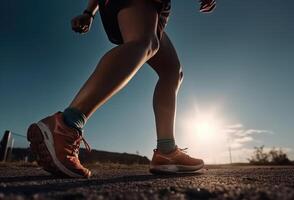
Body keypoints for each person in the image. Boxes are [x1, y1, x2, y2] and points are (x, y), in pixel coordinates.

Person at [27, 0, 216, 178]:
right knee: (144, 42)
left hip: (155, 11)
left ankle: (166, 151)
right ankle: (65, 125)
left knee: (172, 71)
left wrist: (89, 12)